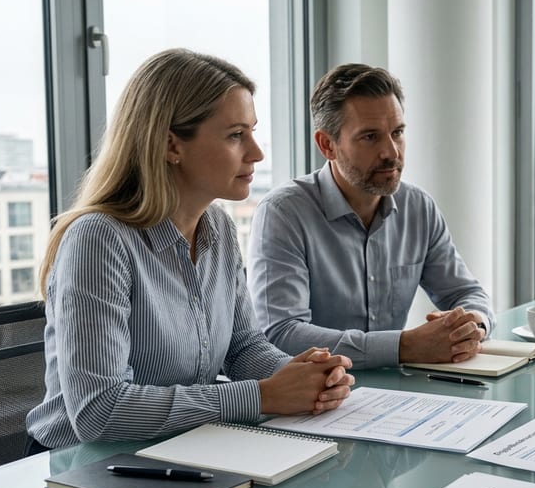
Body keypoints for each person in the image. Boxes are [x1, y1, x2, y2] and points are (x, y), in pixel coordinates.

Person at [25, 49, 355, 452]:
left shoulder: (217, 227)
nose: (256, 152)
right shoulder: (98, 241)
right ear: (171, 145)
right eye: (236, 135)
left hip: (183, 452)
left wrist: (305, 376)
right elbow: (100, 410)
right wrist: (264, 396)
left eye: (252, 131)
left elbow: (243, 347)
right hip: (84, 470)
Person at [248, 63, 494, 368]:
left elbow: (466, 292)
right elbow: (281, 334)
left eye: (397, 133)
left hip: (398, 396)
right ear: (327, 145)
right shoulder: (283, 214)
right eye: (370, 137)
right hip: (316, 399)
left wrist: (473, 325)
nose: (391, 151)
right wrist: (403, 347)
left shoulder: (418, 207)